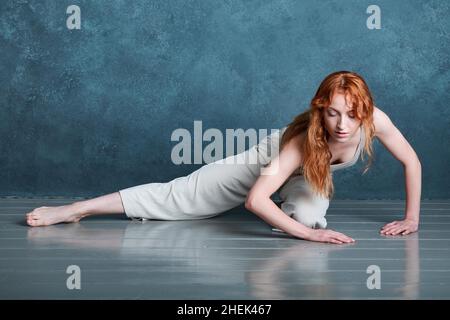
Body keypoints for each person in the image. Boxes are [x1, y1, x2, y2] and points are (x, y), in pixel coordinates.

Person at [25, 71, 422, 244]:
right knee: (177, 197)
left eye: (352, 114)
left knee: (305, 216)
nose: (342, 124)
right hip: (268, 161)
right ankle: (76, 209)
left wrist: (412, 218)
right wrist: (314, 236)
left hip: (307, 176)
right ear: (320, 108)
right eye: (332, 112)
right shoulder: (304, 137)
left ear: (365, 111)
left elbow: (412, 162)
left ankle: (296, 212)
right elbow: (254, 200)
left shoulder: (375, 120)